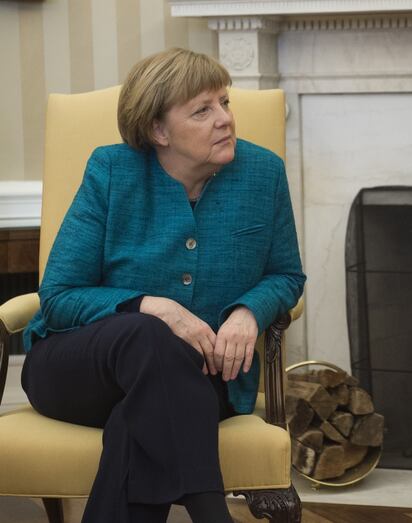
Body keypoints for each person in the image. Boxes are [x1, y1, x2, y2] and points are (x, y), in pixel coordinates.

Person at [21, 48, 305, 523]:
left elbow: (286, 275)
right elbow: (59, 298)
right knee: (150, 333)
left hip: (199, 379)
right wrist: (155, 307)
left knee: (143, 417)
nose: (225, 120)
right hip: (77, 371)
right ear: (158, 130)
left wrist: (248, 310)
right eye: (203, 110)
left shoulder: (263, 173)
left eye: (225, 102)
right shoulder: (112, 171)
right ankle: (211, 511)